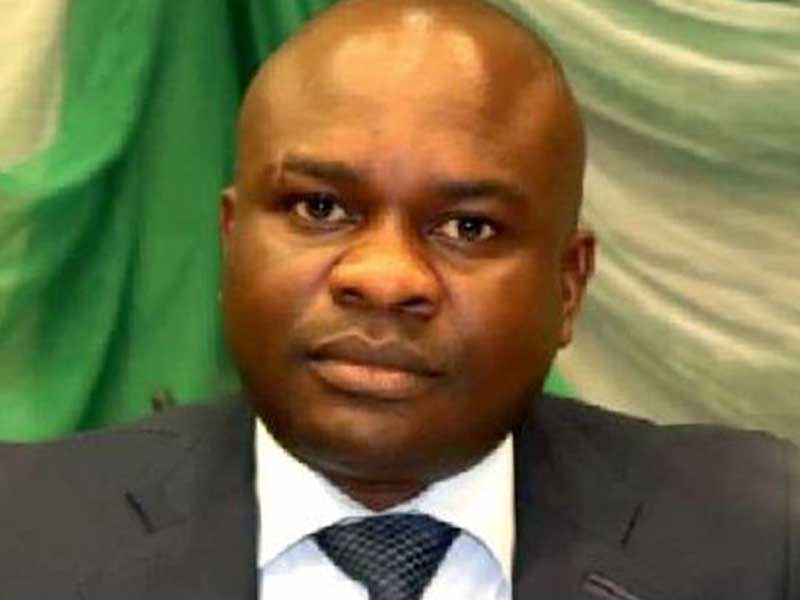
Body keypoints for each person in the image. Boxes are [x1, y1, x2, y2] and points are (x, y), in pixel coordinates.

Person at [2, 0, 798, 598]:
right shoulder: (22, 537)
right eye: (320, 208)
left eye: (468, 227)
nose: (384, 278)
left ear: (567, 286)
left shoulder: (761, 544)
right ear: (232, 240)